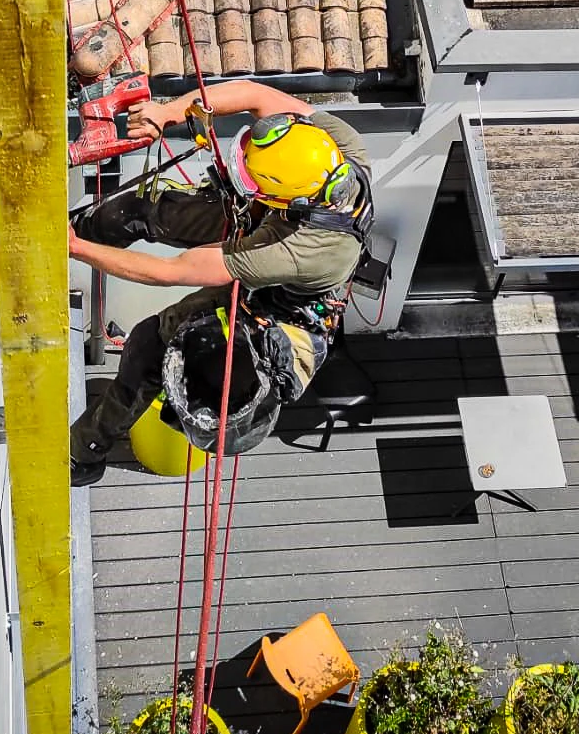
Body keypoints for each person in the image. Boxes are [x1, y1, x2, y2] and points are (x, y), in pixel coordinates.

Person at [67, 81, 373, 484]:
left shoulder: (300, 249)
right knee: (146, 210)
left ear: (285, 198)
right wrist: (169, 111)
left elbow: (172, 271)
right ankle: (82, 228)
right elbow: (255, 95)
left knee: (148, 345)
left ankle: (86, 452)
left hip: (275, 306)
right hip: (260, 220)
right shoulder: (335, 147)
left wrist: (72, 249)